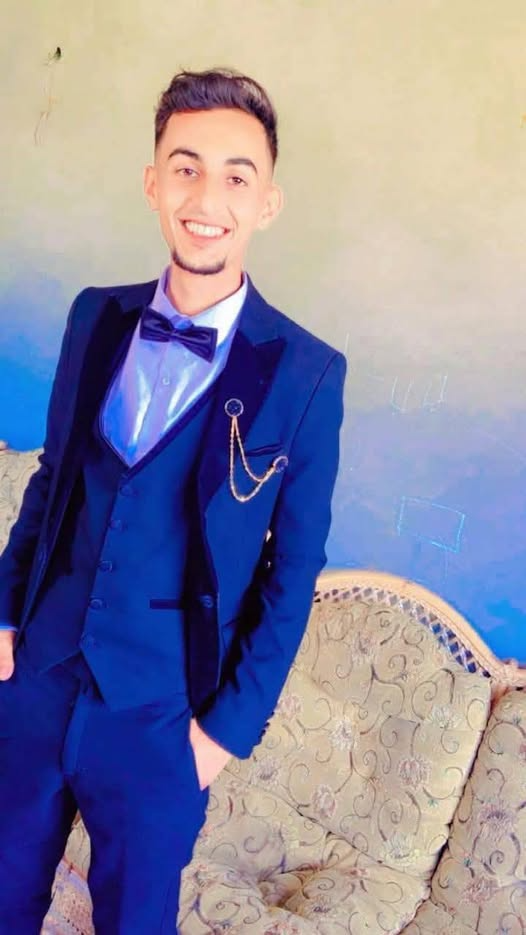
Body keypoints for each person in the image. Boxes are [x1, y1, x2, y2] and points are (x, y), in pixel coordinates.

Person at [0, 68, 346, 933]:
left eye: (236, 175)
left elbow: (291, 576)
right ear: (153, 181)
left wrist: (221, 736)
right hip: (35, 683)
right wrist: (3, 613)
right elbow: (51, 482)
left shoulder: (306, 374)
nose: (207, 197)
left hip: (163, 723)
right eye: (186, 167)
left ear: (267, 202)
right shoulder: (94, 316)